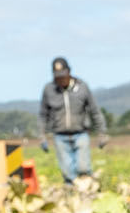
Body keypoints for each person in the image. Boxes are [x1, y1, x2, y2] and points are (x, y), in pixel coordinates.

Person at [38, 56, 108, 189]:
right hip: (60, 136)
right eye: (57, 77)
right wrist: (42, 136)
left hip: (80, 134)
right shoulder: (49, 90)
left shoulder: (82, 87)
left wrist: (102, 133)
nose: (61, 79)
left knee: (83, 167)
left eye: (63, 76)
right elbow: (43, 115)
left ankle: (86, 192)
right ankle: (71, 193)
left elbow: (95, 111)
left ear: (69, 72)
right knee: (68, 172)